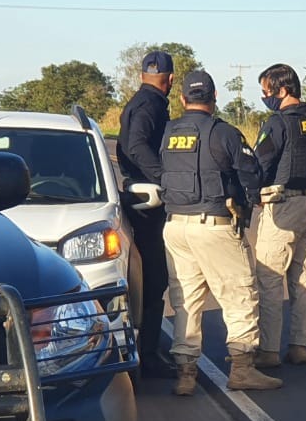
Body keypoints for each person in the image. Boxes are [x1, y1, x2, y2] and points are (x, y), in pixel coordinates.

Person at [158, 70, 282, 396]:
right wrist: (249, 199)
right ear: (214, 99)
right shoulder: (222, 132)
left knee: (186, 302)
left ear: (183, 99)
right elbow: (251, 171)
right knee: (239, 295)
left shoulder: (169, 132)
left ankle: (185, 375)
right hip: (213, 225)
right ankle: (242, 369)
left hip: (175, 228)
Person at [251, 63, 306, 369]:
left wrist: (252, 193)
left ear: (282, 91)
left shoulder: (278, 123)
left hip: (283, 205)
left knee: (269, 278)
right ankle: (299, 346)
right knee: (301, 274)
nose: (265, 97)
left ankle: (268, 351)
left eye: (266, 91)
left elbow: (261, 163)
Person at [117, 50, 176, 378]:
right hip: (147, 200)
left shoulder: (139, 102)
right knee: (155, 280)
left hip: (139, 193)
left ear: (142, 75)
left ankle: (146, 351)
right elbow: (137, 146)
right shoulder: (150, 105)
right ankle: (148, 356)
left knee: (151, 278)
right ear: (169, 80)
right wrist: (163, 178)